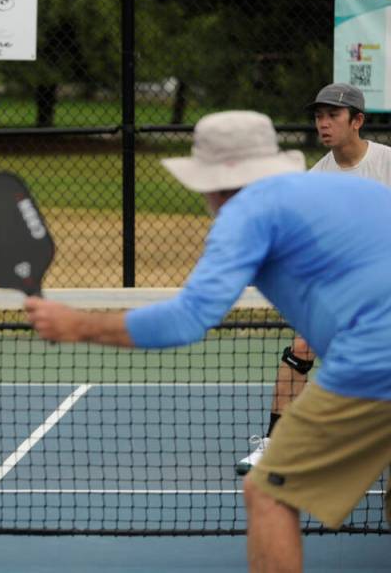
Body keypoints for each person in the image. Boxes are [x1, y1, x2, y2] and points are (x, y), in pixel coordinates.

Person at [23, 110, 391, 571]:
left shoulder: (244, 211)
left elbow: (188, 319)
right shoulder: (354, 188)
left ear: (214, 183)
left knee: (268, 490)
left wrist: (77, 325)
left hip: (375, 359)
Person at [236, 83, 391, 475]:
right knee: (300, 348)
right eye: (319, 116)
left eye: (332, 116)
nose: (323, 124)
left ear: (357, 121)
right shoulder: (318, 175)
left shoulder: (386, 164)